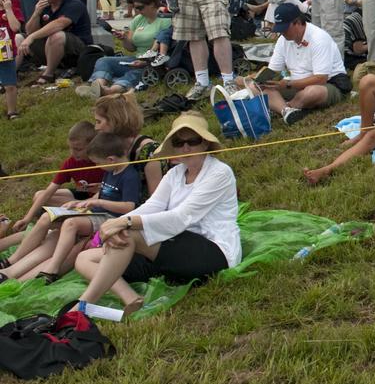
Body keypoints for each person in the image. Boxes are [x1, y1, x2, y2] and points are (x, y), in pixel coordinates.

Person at [73, 112, 241, 317]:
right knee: (84, 258)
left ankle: (81, 307)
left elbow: (182, 217)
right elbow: (152, 206)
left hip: (212, 251)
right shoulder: (175, 173)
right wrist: (118, 223)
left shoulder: (219, 173)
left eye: (193, 141)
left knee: (130, 233)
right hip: (172, 247)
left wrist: (125, 222)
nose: (186, 148)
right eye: (179, 142)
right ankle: (130, 298)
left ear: (205, 144)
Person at [0, 132, 141, 284]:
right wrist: (81, 203)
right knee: (47, 218)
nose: (97, 167)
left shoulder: (129, 176)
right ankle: (10, 264)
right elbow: (104, 192)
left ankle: (51, 269)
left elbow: (129, 206)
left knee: (70, 224)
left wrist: (98, 203)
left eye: (98, 163)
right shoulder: (111, 170)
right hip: (95, 212)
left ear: (110, 159)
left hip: (111, 219)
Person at [0, 121, 103, 258]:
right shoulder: (71, 162)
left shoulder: (102, 162)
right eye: (70, 148)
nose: (73, 153)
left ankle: (57, 225)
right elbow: (49, 191)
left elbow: (110, 191)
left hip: (98, 201)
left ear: (92, 146)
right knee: (39, 195)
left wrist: (99, 189)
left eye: (78, 149)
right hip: (82, 196)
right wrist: (27, 218)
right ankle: (52, 223)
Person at [252, 3, 351, 124]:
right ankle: (287, 111)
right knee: (255, 87)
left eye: (285, 29)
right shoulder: (283, 40)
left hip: (329, 84)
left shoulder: (319, 38)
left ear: (298, 23)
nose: (282, 33)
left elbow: (321, 79)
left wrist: (288, 84)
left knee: (312, 92)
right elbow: (273, 70)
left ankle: (283, 107)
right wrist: (262, 79)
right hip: (296, 84)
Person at [78, 0, 170, 97]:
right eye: (136, 8)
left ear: (152, 5)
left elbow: (164, 50)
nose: (138, 11)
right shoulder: (138, 19)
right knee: (103, 61)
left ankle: (110, 91)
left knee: (135, 74)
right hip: (136, 59)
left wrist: (145, 63)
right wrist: (124, 38)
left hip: (152, 64)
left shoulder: (164, 21)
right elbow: (131, 48)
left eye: (140, 7)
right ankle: (99, 85)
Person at [18, 0, 92, 85]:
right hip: (50, 49)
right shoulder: (44, 5)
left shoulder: (73, 4)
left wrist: (31, 37)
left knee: (56, 35)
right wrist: (36, 14)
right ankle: (9, 74)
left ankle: (48, 74)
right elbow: (30, 31)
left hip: (76, 51)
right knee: (18, 37)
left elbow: (58, 24)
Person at [0, 0, 19, 119]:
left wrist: (8, 10)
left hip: (6, 51)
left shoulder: (14, 9)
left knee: (10, 84)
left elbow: (16, 28)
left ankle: (12, 112)